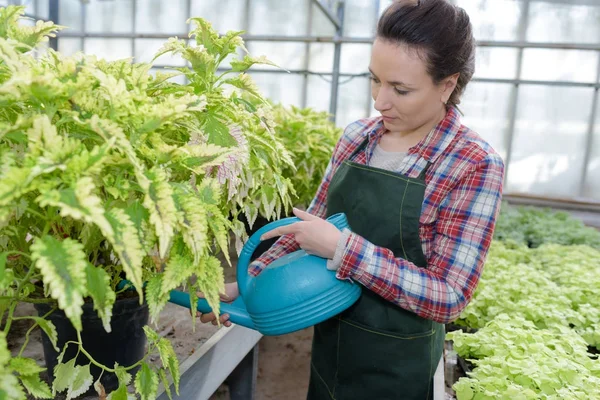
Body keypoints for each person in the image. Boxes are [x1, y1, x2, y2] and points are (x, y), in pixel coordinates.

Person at [198, 0, 505, 398]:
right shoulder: (358, 137)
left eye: (401, 89)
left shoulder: (472, 163)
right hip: (330, 347)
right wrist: (249, 281)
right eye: (374, 79)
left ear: (447, 84)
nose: (380, 101)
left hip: (397, 368)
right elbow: (307, 227)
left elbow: (449, 296)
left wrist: (345, 249)